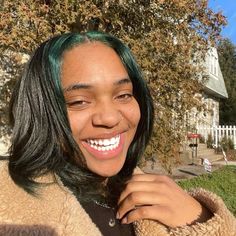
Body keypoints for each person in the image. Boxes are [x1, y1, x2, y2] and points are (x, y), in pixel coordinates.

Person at [0, 31, 235, 236]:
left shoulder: (155, 197)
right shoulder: (11, 212)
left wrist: (202, 219)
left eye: (123, 95)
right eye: (80, 101)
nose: (110, 118)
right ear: (40, 109)